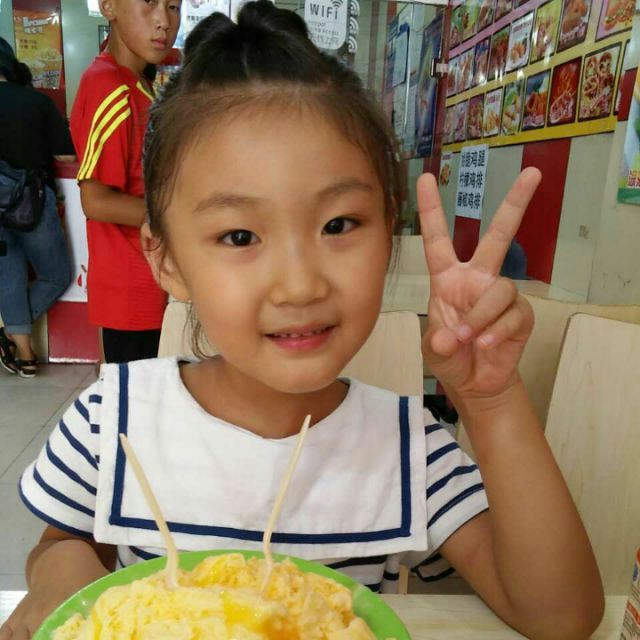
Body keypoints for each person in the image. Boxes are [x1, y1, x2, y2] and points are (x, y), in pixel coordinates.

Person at [2, 3, 603, 638]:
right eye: (240, 235)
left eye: (338, 224)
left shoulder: (407, 448)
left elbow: (560, 617)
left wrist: (491, 401)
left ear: (389, 229)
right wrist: (62, 582)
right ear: (167, 259)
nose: (300, 284)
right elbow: (60, 546)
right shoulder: (115, 419)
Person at [69, 0, 181, 364]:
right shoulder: (110, 87)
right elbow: (96, 201)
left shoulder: (135, 84)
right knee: (133, 392)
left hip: (149, 280)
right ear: (109, 6)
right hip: (131, 287)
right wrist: (177, 218)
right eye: (149, 3)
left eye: (173, 7)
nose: (164, 21)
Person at [0, 38, 74, 378]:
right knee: (56, 276)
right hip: (32, 205)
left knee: (9, 277)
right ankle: (16, 343)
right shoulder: (37, 102)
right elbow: (66, 156)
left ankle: (24, 355)